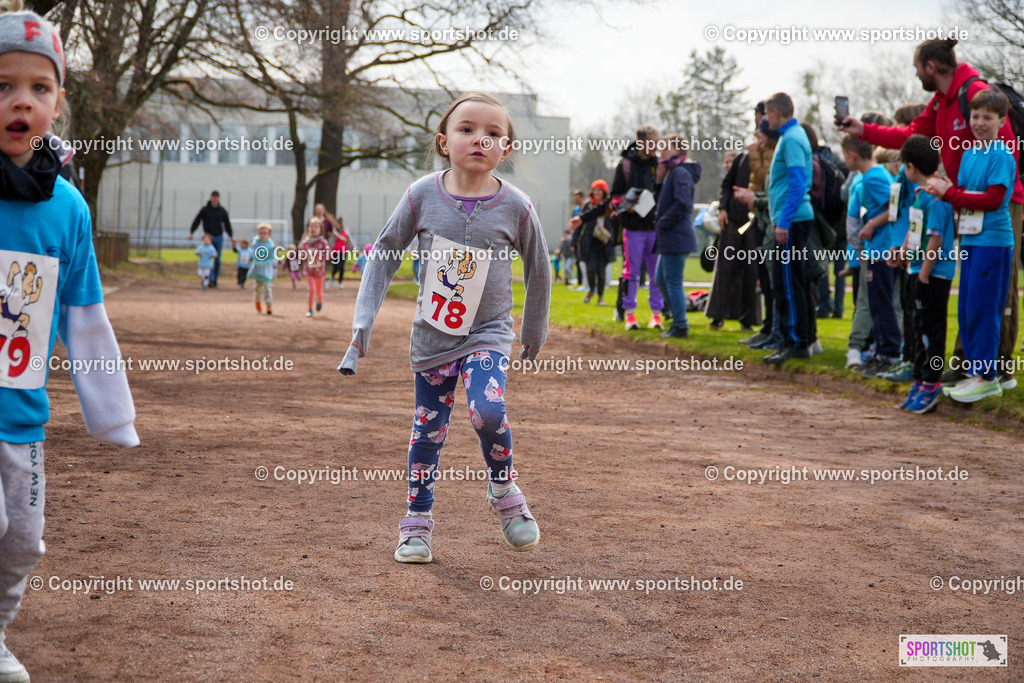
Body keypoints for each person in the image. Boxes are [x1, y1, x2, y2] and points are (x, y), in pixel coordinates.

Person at [338, 92, 550, 564]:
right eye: (468, 129)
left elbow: (540, 265)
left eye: (494, 134)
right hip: (433, 337)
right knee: (428, 432)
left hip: (489, 333)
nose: (481, 139)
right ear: (443, 141)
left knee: (487, 410)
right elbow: (384, 255)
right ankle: (416, 524)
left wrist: (534, 327)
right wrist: (361, 325)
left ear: (506, 149)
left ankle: (503, 490)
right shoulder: (420, 196)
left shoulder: (516, 205)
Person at [0, 5, 139, 681]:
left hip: (23, 418)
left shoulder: (68, 209)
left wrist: (111, 413)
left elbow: (85, 316)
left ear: (58, 100)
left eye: (39, 87)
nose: (21, 101)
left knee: (21, 541)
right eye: (1, 86)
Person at [839, 37, 1023, 390]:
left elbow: (1008, 145)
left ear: (931, 67)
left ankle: (998, 368)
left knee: (998, 287)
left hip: (998, 200)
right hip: (960, 198)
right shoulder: (940, 103)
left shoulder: (976, 92)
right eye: (976, 119)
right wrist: (865, 131)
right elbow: (909, 136)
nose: (978, 122)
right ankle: (970, 362)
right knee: (971, 289)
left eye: (916, 67)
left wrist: (986, 191)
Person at [926, 89, 1017, 402]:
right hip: (971, 239)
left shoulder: (1002, 154)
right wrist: (943, 191)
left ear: (1001, 121)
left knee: (984, 307)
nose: (979, 122)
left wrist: (950, 194)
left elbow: (992, 200)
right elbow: (964, 194)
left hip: (993, 241)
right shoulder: (968, 154)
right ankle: (974, 373)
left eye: (987, 117)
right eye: (975, 116)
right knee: (966, 307)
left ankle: (988, 376)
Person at [895, 135, 956, 413]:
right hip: (917, 269)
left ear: (910, 167)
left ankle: (932, 382)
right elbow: (916, 232)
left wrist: (923, 275)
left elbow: (936, 240)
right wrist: (903, 251)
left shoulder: (936, 197)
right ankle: (920, 379)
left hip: (933, 275)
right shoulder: (921, 195)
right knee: (918, 329)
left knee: (932, 330)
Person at [762, 93, 815, 364]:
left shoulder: (793, 137)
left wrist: (783, 221)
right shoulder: (789, 135)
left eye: (767, 113)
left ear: (775, 112)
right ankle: (787, 339)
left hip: (792, 221)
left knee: (789, 283)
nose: (764, 119)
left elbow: (797, 183)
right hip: (788, 219)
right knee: (783, 282)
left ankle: (797, 342)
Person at [843, 134, 901, 377]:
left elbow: (895, 207)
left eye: (845, 154)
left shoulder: (874, 178)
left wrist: (870, 225)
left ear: (852, 155)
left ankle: (889, 353)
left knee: (881, 303)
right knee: (877, 303)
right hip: (875, 249)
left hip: (881, 250)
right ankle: (882, 351)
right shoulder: (872, 176)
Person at [611, 126, 662, 330]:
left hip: (655, 227)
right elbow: (614, 198)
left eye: (658, 143)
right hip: (632, 228)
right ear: (641, 142)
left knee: (655, 273)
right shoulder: (625, 165)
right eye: (652, 143)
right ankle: (630, 315)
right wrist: (627, 205)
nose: (656, 147)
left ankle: (656, 315)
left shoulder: (660, 165)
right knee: (632, 273)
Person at [709, 143, 761, 331]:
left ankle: (748, 319)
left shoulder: (768, 161)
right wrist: (723, 208)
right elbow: (726, 185)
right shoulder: (741, 160)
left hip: (753, 223)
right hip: (732, 220)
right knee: (725, 269)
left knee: (751, 271)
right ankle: (716, 317)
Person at [654, 135, 700, 338]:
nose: (661, 150)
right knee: (660, 280)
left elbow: (683, 204)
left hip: (676, 237)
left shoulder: (680, 172)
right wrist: (658, 179)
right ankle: (677, 320)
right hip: (670, 237)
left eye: (665, 146)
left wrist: (663, 223)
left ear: (678, 150)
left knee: (672, 281)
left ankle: (681, 325)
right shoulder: (672, 172)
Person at [573, 180, 615, 305]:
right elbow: (581, 223)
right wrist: (574, 241)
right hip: (590, 243)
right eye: (595, 190)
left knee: (601, 272)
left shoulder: (608, 205)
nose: (597, 193)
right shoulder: (588, 205)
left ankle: (600, 297)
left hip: (604, 244)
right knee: (590, 269)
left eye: (599, 190)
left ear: (604, 192)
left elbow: (614, 221)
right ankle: (592, 289)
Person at [188, 190, 234, 288]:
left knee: (217, 259)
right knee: (207, 257)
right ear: (211, 198)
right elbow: (197, 221)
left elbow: (227, 224)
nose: (215, 199)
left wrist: (231, 236)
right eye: (214, 197)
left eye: (217, 197)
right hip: (208, 238)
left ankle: (214, 279)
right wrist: (191, 232)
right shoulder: (205, 210)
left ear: (219, 198)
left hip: (218, 237)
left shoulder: (222, 210)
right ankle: (207, 278)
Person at [299, 216, 329, 317]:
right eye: (311, 226)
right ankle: (310, 309)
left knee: (319, 291)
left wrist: (319, 257)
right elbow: (301, 255)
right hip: (309, 271)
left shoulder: (323, 242)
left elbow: (328, 255)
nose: (313, 228)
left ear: (320, 229)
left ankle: (320, 300)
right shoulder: (305, 242)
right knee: (311, 289)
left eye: (316, 226)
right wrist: (302, 255)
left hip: (320, 271)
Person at [250, 223, 275, 315]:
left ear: (269, 234)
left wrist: (262, 263)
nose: (263, 235)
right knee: (258, 288)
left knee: (267, 288)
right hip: (258, 270)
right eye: (261, 232)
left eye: (265, 233)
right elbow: (256, 254)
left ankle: (269, 305)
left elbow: (271, 258)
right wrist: (258, 263)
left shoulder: (271, 245)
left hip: (266, 270)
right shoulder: (256, 243)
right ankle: (257, 301)